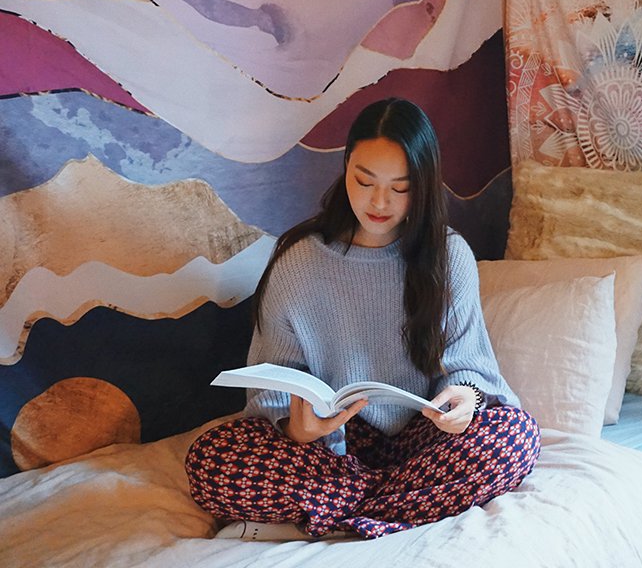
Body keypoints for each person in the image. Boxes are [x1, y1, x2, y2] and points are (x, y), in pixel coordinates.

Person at [185, 98, 539, 539]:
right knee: (210, 458)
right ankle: (389, 506)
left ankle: (328, 514)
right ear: (345, 166)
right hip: (325, 449)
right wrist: (298, 429)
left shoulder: (449, 257)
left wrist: (465, 399)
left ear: (424, 185)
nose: (379, 202)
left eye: (400, 187)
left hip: (421, 441)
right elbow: (273, 383)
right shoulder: (298, 261)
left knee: (514, 437)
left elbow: (468, 366)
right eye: (364, 180)